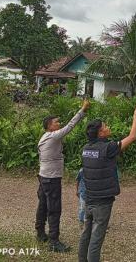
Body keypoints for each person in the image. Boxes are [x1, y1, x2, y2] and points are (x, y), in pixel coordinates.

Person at [78, 103, 136, 262]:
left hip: (88, 199)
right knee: (96, 238)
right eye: (106, 126)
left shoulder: (86, 148)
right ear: (100, 133)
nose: (108, 128)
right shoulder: (108, 148)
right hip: (102, 202)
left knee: (86, 233)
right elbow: (132, 137)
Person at [35, 99, 90, 252]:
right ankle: (53, 242)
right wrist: (83, 110)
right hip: (51, 179)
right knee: (54, 209)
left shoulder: (44, 137)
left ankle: (40, 232)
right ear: (49, 126)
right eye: (56, 122)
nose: (59, 124)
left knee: (43, 205)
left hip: (43, 176)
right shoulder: (53, 136)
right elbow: (70, 126)